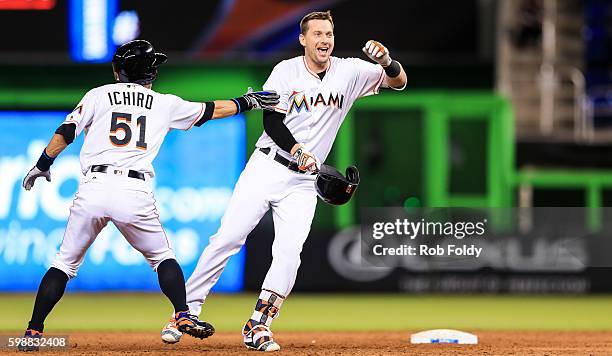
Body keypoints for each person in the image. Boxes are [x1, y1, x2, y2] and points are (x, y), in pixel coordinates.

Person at [161, 10, 407, 351]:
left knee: (290, 253)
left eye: (329, 34)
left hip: (304, 182)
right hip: (267, 167)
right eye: (317, 34)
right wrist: (298, 149)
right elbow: (271, 122)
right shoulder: (286, 71)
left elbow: (399, 82)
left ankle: (259, 324)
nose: (324, 40)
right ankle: (185, 312)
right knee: (227, 239)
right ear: (303, 39)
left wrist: (388, 61)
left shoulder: (350, 71)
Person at [17, 39, 279, 352]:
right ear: (150, 72)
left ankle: (33, 332)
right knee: (162, 257)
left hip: (95, 186)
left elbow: (66, 132)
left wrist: (42, 164)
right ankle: (183, 313)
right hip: (133, 189)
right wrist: (247, 102)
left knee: (64, 264)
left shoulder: (98, 95)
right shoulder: (164, 103)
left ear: (118, 70)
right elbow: (211, 110)